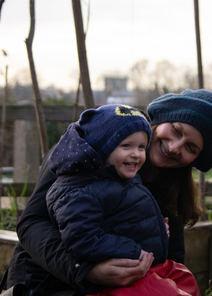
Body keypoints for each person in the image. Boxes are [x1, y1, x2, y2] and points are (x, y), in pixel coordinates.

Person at [6, 89, 212, 295]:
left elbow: (171, 261)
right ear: (162, 118)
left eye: (190, 148)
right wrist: (87, 271)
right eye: (175, 130)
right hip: (47, 278)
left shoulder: (170, 192)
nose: (174, 147)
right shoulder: (87, 145)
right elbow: (31, 223)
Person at [46, 104, 200, 295]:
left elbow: (125, 219)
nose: (136, 153)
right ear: (103, 147)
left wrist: (157, 229)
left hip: (147, 262)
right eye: (126, 145)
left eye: (141, 147)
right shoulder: (79, 188)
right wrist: (134, 251)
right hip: (120, 272)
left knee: (184, 277)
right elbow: (83, 237)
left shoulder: (125, 177)